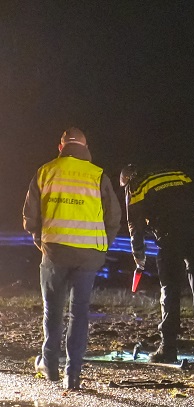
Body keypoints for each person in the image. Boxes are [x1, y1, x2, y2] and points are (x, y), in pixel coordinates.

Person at [22, 128, 121, 390]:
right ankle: (72, 374)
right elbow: (113, 218)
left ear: (61, 147)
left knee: (52, 310)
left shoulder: (45, 171)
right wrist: (101, 246)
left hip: (54, 251)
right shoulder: (98, 174)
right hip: (89, 255)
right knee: (79, 312)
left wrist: (40, 239)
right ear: (86, 146)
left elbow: (30, 216)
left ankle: (50, 364)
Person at [121, 164, 194, 363]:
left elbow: (135, 223)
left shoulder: (137, 186)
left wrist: (138, 254)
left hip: (169, 238)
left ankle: (168, 347)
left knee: (170, 291)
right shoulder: (178, 174)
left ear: (128, 179)